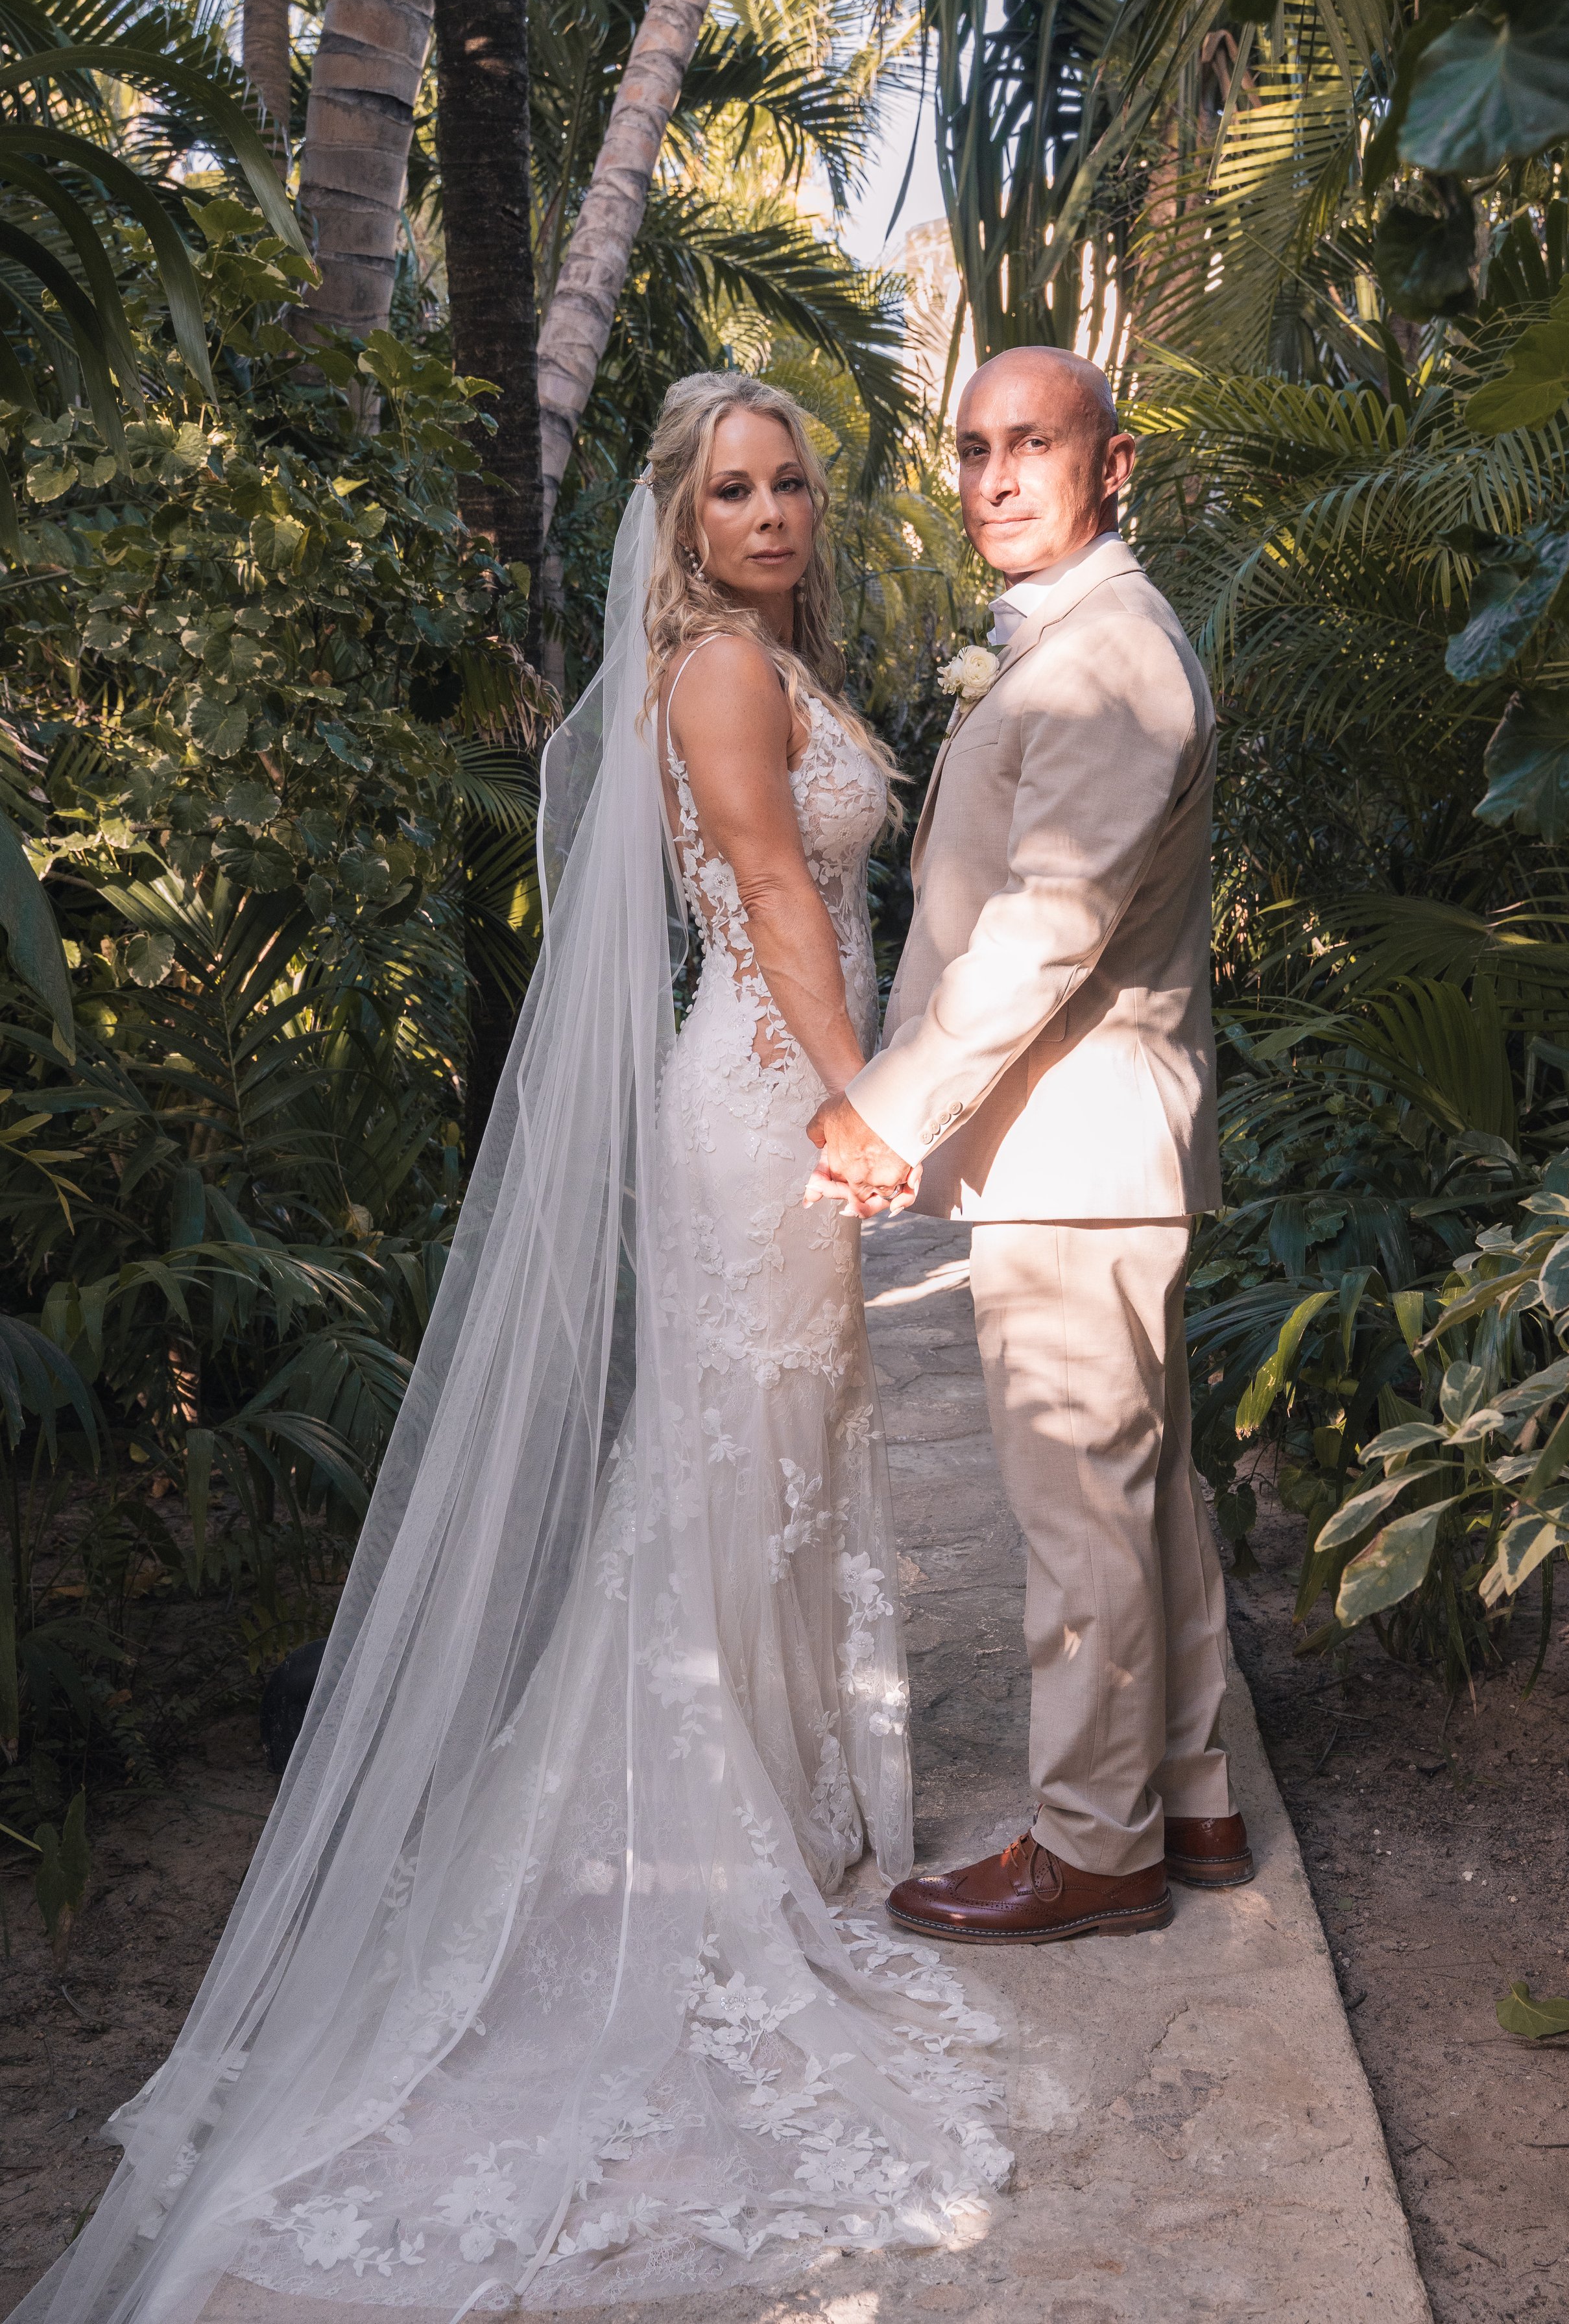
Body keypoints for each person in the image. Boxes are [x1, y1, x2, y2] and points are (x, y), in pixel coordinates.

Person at [9, 374, 1007, 2324]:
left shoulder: (772, 661)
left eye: (794, 479)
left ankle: (783, 1811)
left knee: (777, 1459)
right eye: (735, 488)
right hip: (766, 1101)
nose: (775, 510)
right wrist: (864, 1099)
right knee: (733, 1460)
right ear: (683, 521)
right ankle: (700, 1844)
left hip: (790, 1096)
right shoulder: (719, 676)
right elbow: (784, 896)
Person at [811, 346, 1252, 1945]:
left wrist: (887, 1104)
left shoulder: (1110, 657)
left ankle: (1091, 1848)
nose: (994, 475)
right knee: (1140, 1503)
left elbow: (1044, 929)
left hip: (1079, 1153)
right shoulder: (1075, 640)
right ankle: (1188, 1804)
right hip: (1094, 1154)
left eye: (1032, 445)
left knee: (1078, 1520)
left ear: (1110, 463)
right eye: (973, 447)